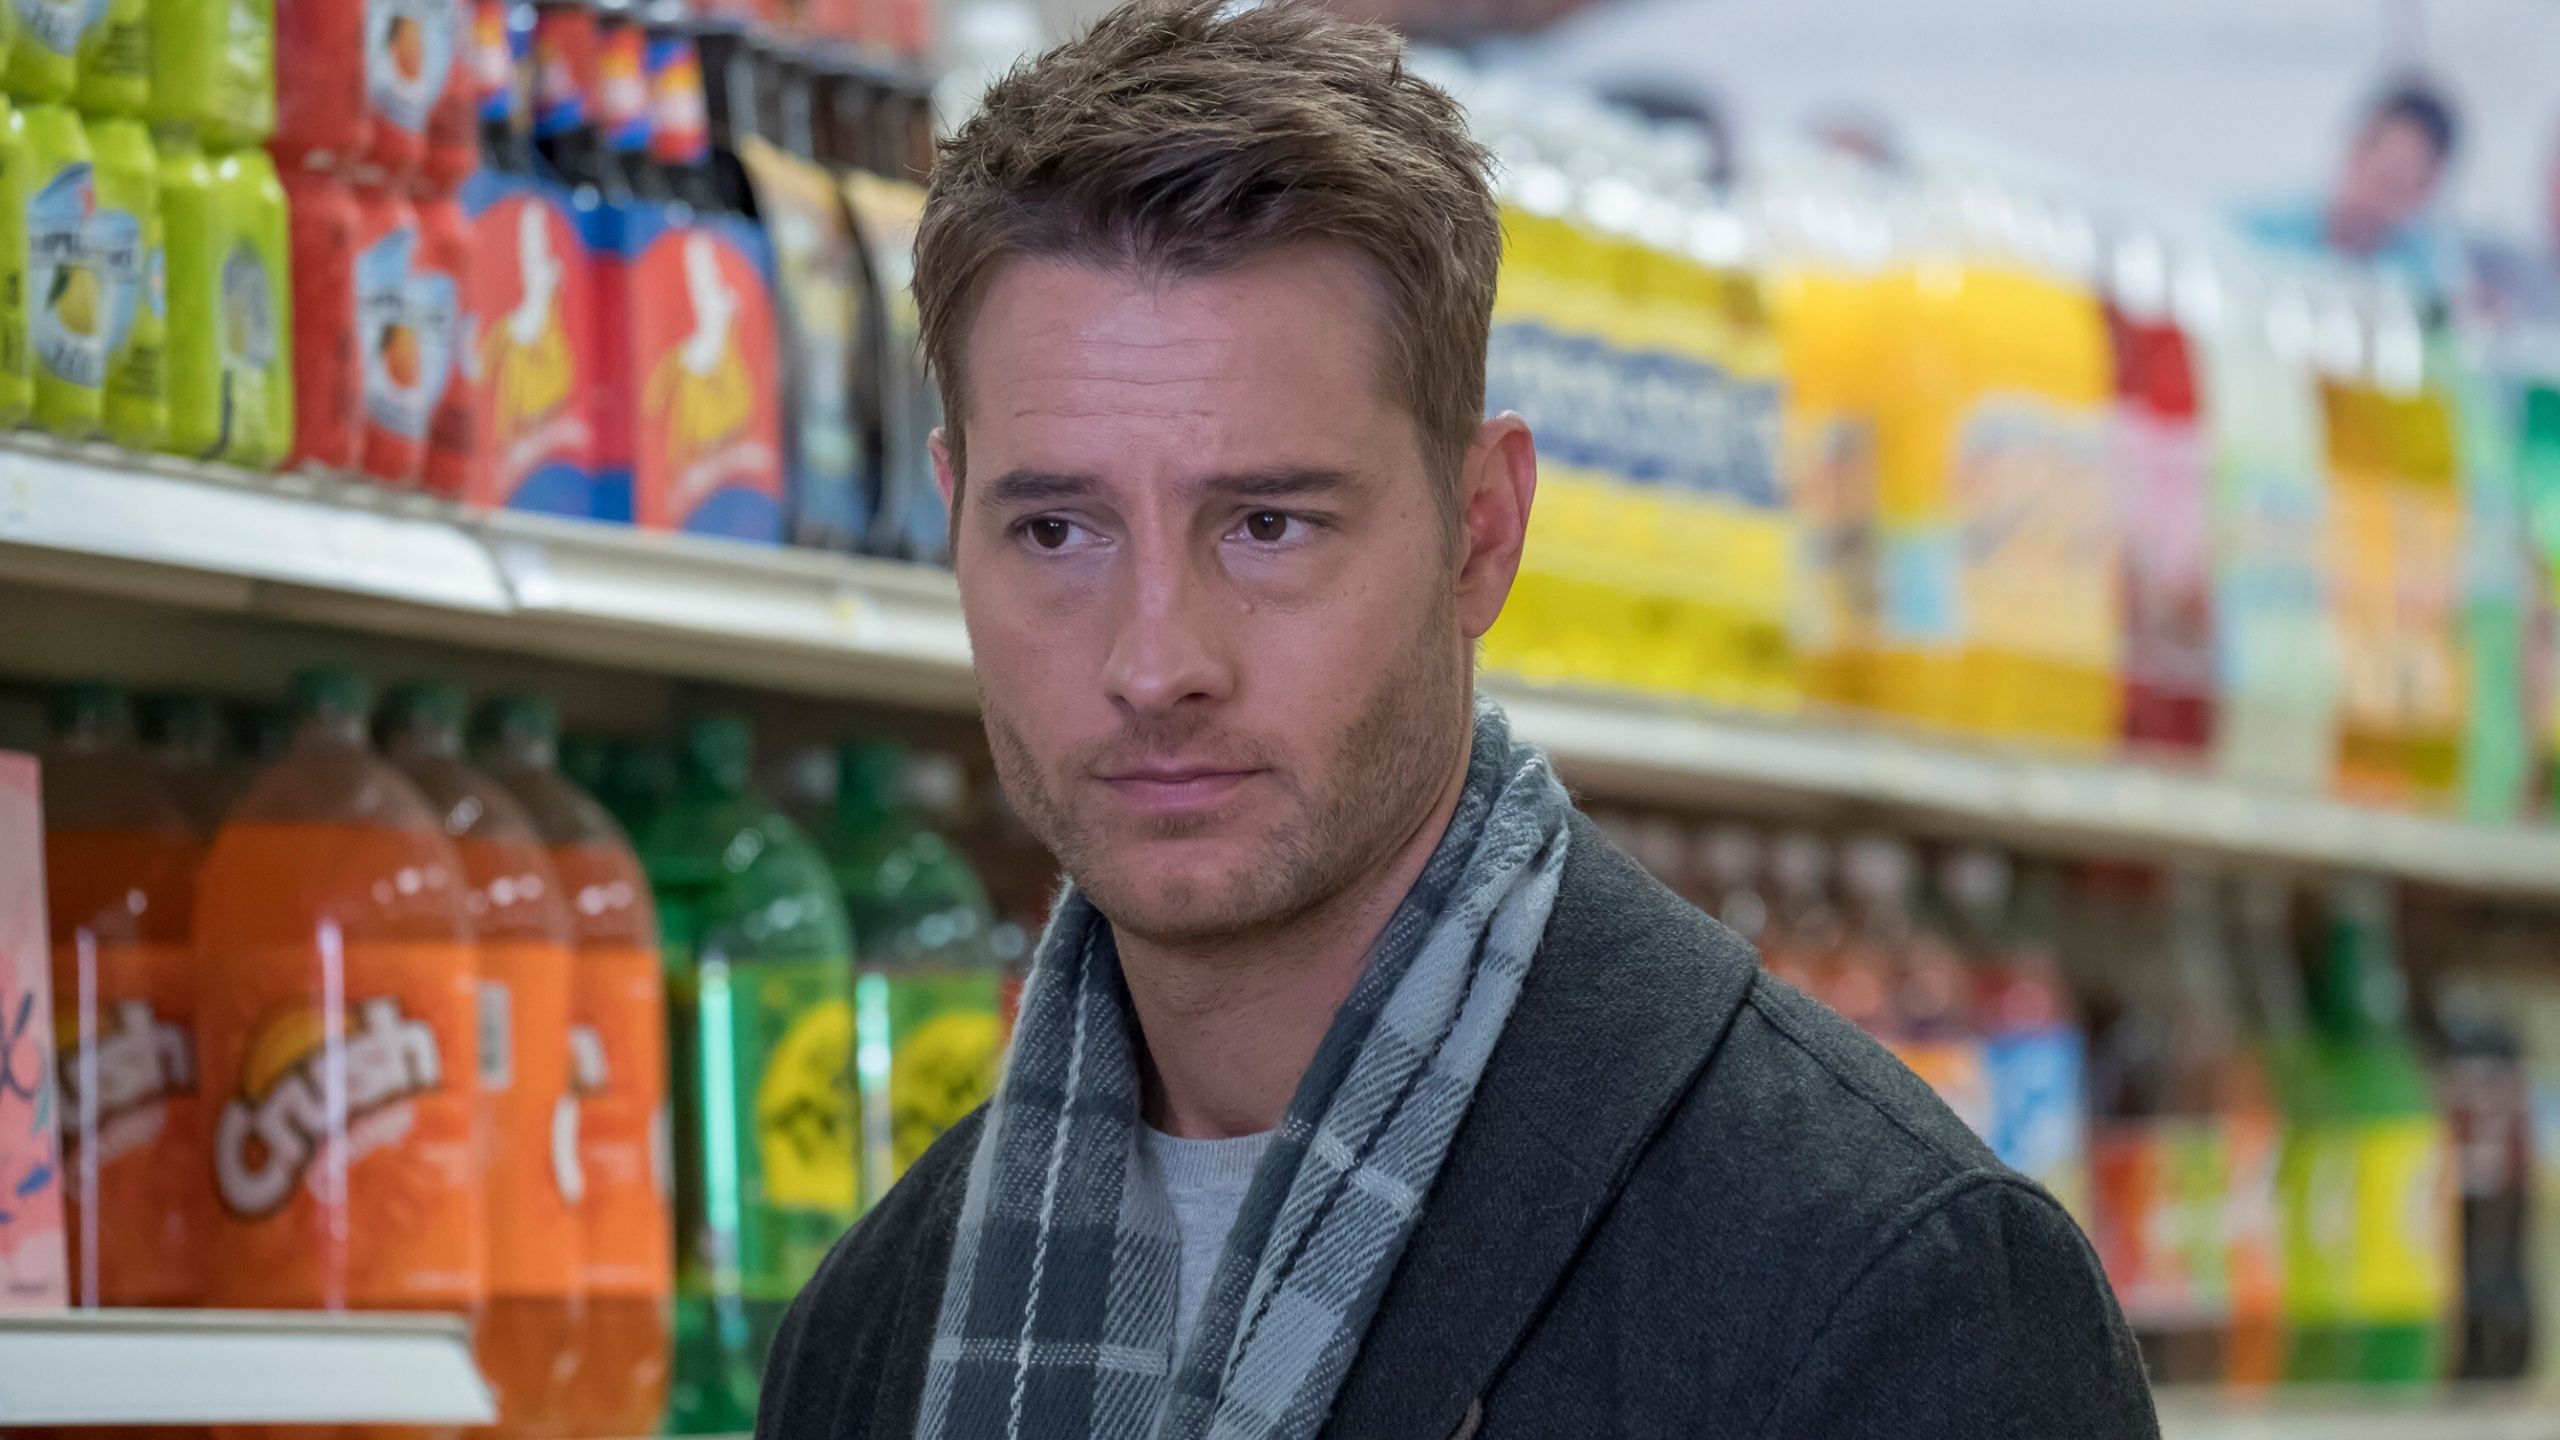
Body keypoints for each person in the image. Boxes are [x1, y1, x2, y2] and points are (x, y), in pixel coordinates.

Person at [755, 3, 2157, 1437]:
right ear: (952, 525)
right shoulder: (871, 1335)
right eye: (1056, 530)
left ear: (1480, 531)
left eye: (1269, 524)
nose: (1157, 662)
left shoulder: (1887, 1285)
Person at [2244, 77, 2467, 299]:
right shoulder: (2263, 231)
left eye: (2398, 187)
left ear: (2425, 191)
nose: (2378, 199)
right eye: (2381, 176)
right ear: (2355, 149)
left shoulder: (2422, 276)